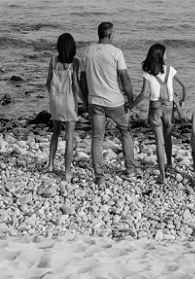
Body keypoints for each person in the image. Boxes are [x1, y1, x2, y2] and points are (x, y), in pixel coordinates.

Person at [78, 20, 137, 184]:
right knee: (126, 133)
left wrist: (85, 99)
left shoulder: (87, 52)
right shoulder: (116, 52)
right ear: (110, 35)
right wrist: (130, 98)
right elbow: (124, 78)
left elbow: (82, 80)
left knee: (97, 138)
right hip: (115, 102)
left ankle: (99, 177)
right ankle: (130, 171)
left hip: (95, 101)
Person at [135, 43, 186, 182]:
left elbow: (143, 94)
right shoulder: (170, 70)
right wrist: (183, 100)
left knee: (159, 141)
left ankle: (162, 176)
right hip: (169, 108)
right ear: (160, 56)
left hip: (156, 108)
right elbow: (184, 86)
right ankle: (169, 163)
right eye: (165, 53)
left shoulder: (148, 72)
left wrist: (131, 105)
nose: (167, 56)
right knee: (168, 137)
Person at [44, 32, 80, 177]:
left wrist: (53, 95)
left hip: (55, 100)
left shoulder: (53, 61)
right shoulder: (74, 63)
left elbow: (48, 83)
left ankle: (51, 164)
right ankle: (67, 172)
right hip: (68, 101)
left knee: (56, 132)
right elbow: (75, 86)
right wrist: (80, 102)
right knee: (69, 138)